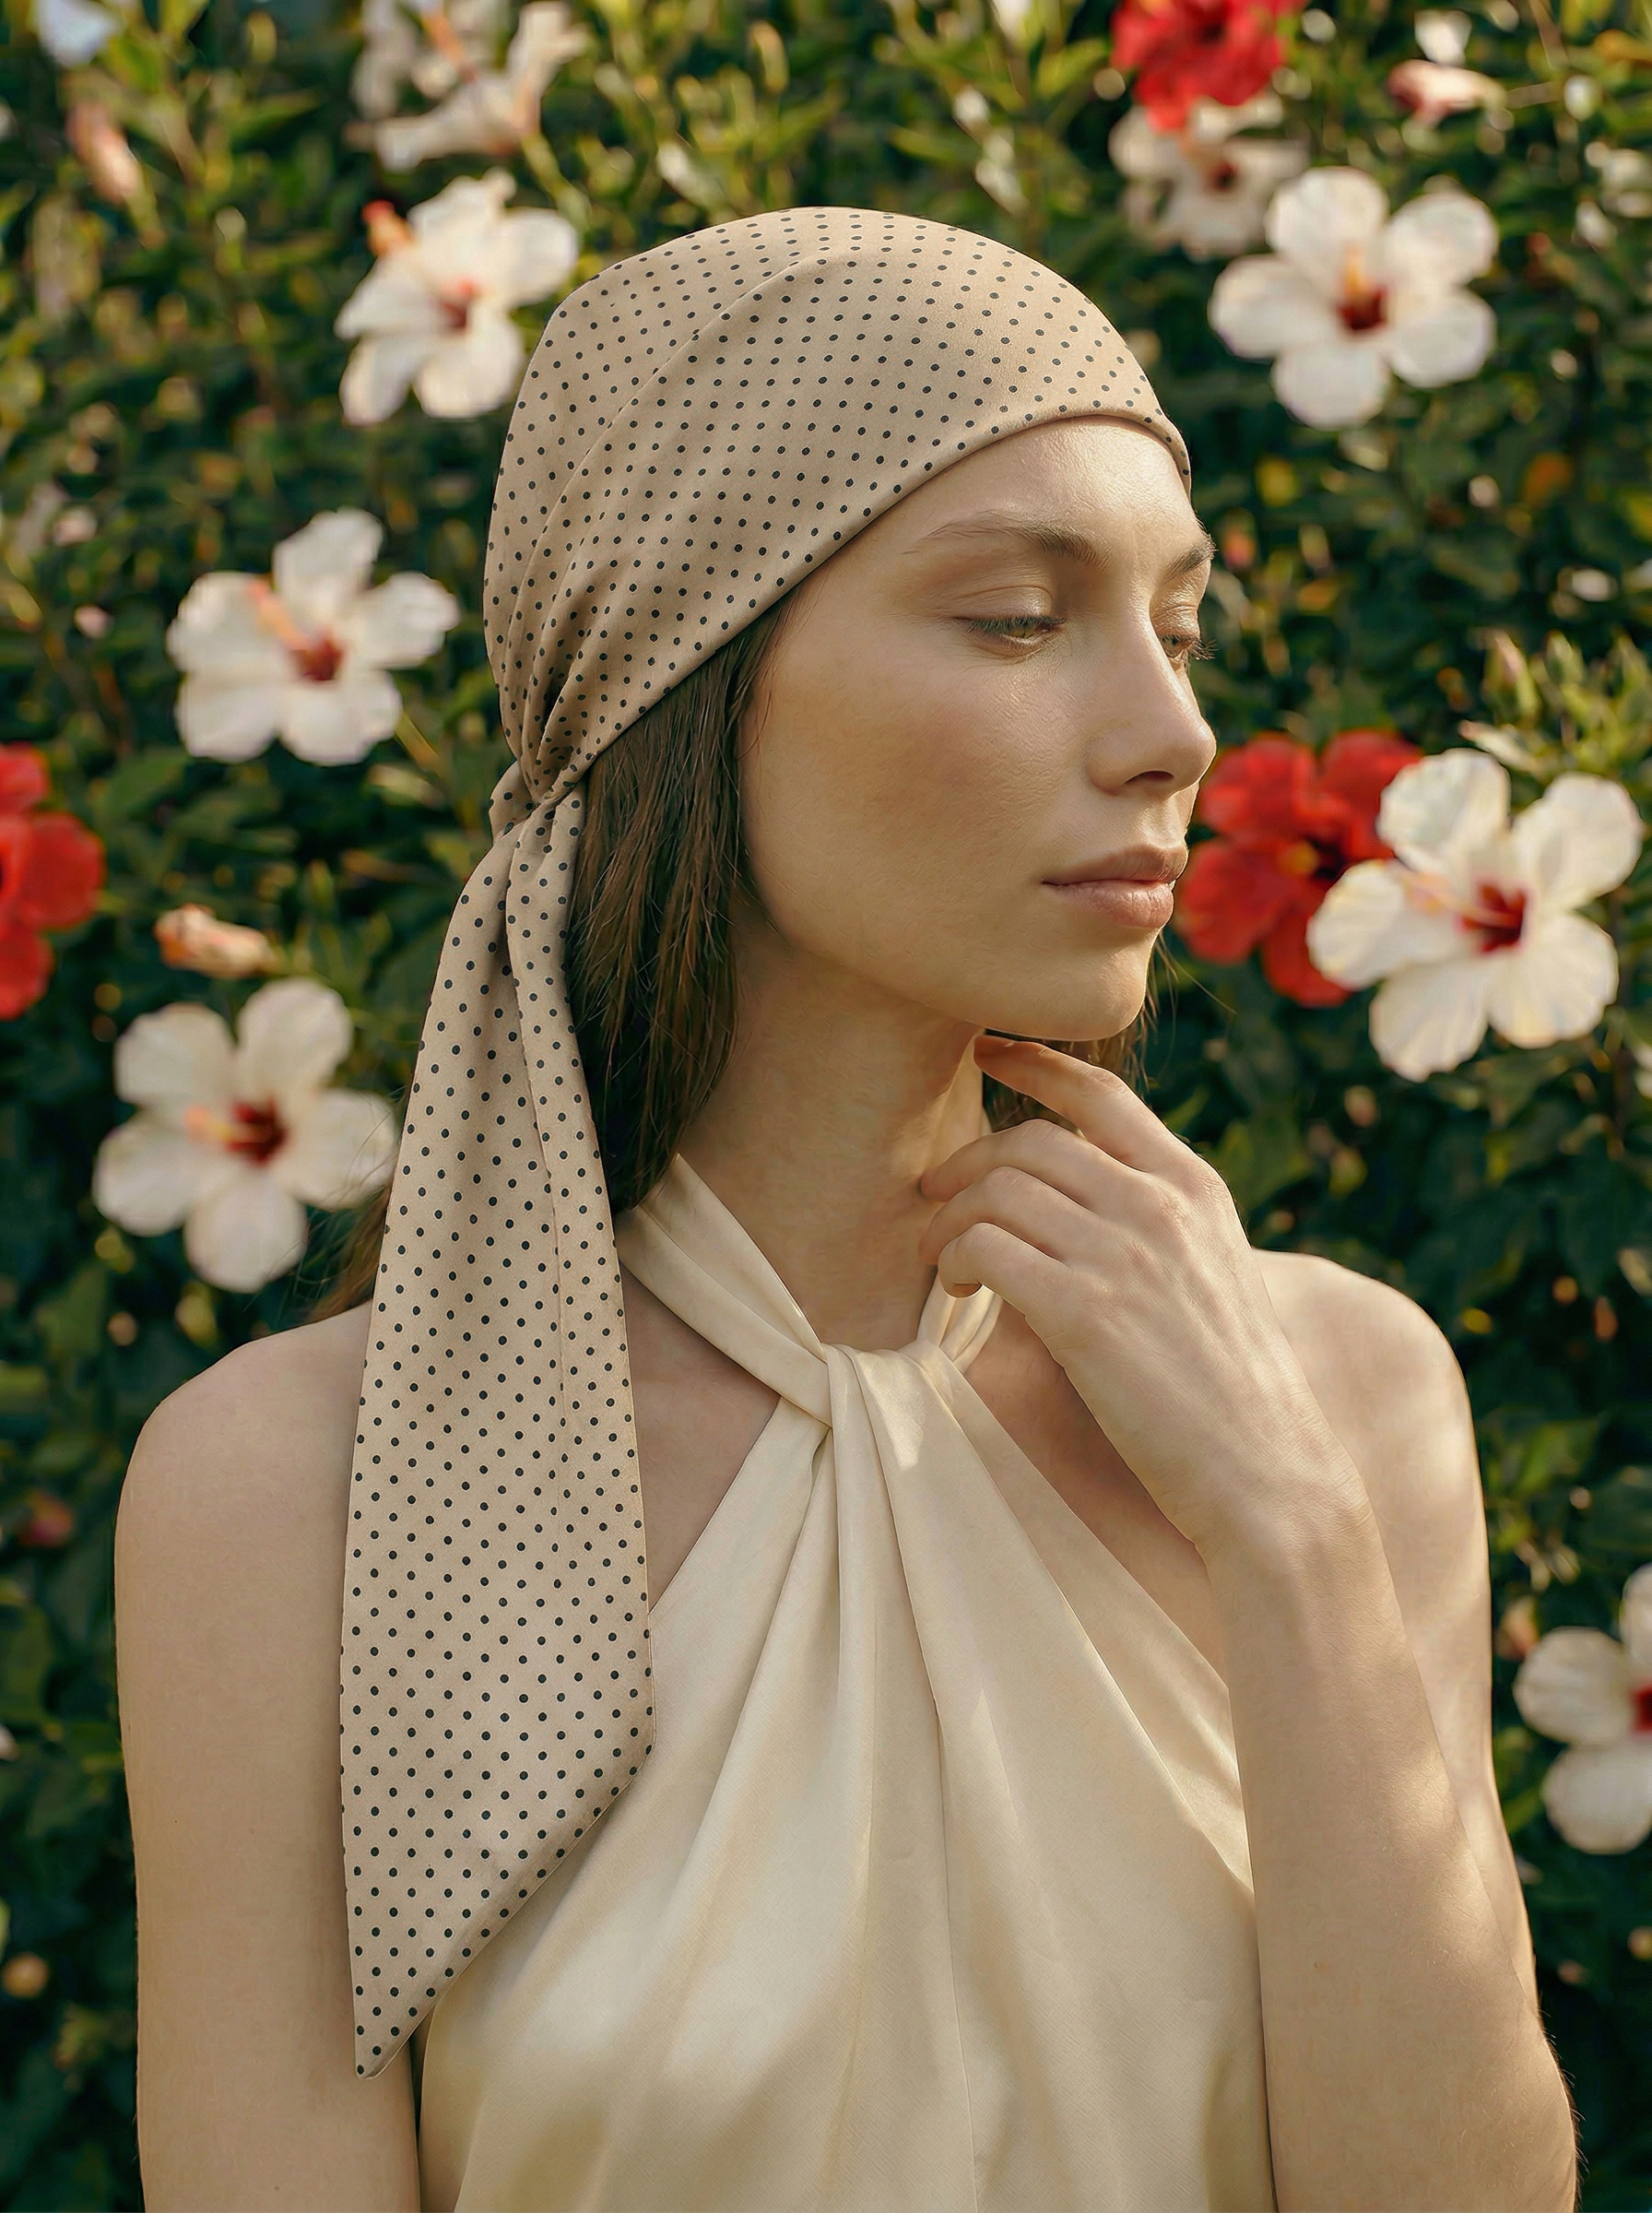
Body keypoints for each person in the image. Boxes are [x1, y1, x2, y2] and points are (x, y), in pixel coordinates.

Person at [114, 207, 1577, 2213]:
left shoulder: (1333, 1394)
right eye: (1016, 617)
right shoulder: (306, 1491)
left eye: (1179, 627)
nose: (1171, 733)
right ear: (681, 681)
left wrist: (1292, 1537)